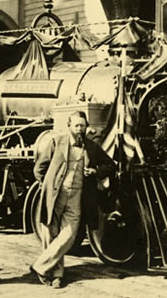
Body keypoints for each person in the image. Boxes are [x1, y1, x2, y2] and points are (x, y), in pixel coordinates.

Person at [31, 110, 116, 288]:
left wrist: (95, 172)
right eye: (76, 125)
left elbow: (110, 165)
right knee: (51, 233)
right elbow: (40, 167)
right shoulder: (56, 142)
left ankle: (40, 265)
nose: (79, 129)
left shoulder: (92, 147)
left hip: (78, 196)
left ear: (86, 127)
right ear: (69, 126)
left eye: (82, 126)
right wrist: (47, 185)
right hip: (56, 195)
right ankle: (57, 275)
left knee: (69, 234)